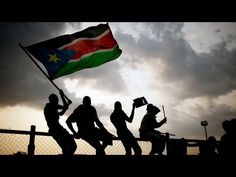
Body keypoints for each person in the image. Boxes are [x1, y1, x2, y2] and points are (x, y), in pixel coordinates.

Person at [44, 89, 77, 156]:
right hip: (55, 130)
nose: (57, 101)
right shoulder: (50, 107)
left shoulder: (52, 106)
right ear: (52, 100)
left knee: (69, 147)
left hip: (57, 129)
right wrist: (62, 96)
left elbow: (63, 111)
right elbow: (64, 108)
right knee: (69, 146)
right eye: (56, 100)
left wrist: (67, 104)